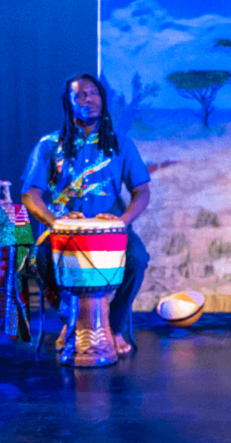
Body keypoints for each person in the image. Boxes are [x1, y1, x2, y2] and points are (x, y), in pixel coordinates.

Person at [21, 73, 151, 355]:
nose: (89, 99)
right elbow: (29, 196)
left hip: (112, 231)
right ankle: (72, 319)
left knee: (138, 259)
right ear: (68, 103)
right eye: (80, 95)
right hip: (63, 231)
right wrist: (55, 223)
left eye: (94, 93)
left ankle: (112, 325)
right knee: (40, 257)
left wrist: (122, 221)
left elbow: (142, 191)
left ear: (102, 99)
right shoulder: (49, 145)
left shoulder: (121, 144)